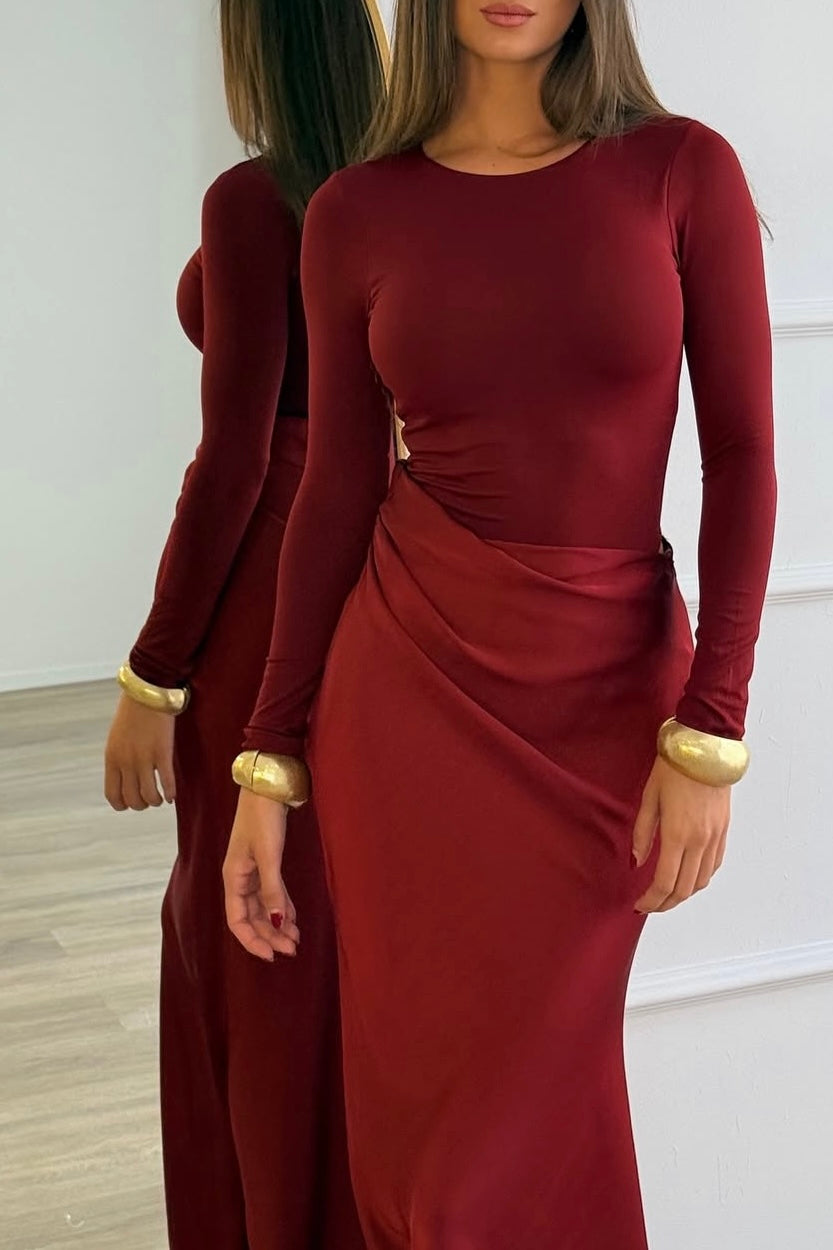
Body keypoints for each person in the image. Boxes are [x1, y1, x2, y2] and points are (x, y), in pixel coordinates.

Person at [224, 1, 777, 1246]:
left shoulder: (681, 170)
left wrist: (711, 726)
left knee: (525, 1114)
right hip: (404, 709)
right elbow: (335, 494)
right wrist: (268, 757)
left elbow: (742, 458)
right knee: (424, 1143)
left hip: (604, 719)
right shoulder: (357, 211)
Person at [103, 3, 387, 1246]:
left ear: (256, 41)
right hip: (388, 580)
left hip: (269, 586)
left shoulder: (256, 201)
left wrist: (150, 674)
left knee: (246, 942)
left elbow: (234, 461)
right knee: (338, 936)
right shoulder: (412, 188)